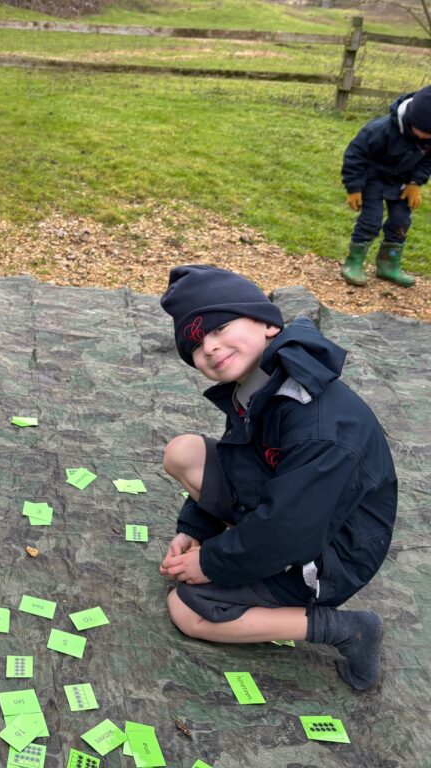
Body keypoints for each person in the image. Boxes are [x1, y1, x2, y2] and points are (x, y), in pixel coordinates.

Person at [158, 265, 397, 692]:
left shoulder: (317, 423)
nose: (210, 347)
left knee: (186, 609)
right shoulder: (262, 383)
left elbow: (292, 528)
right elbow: (243, 461)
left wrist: (210, 562)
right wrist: (199, 528)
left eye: (220, 327)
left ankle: (346, 628)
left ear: (268, 323)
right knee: (184, 452)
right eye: (195, 345)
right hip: (295, 511)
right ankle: (246, 552)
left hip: (332, 551)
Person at [340, 84, 431, 288]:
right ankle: (353, 262)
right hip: (372, 179)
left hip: (401, 182)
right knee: (371, 220)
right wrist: (354, 187)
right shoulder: (380, 130)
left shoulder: (428, 138)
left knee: (401, 221)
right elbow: (355, 156)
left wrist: (415, 183)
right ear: (410, 119)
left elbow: (427, 161)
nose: (427, 137)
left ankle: (388, 264)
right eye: (424, 131)